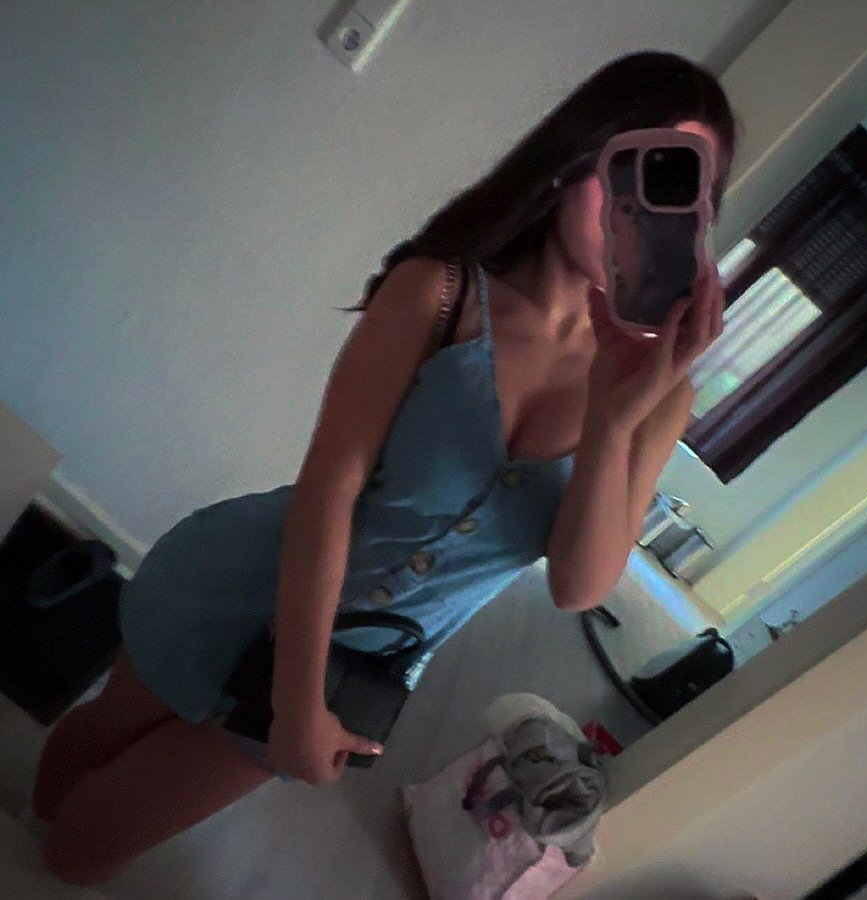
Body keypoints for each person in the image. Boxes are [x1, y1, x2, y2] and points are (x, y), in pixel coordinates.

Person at [31, 49, 734, 886]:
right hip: (240, 585)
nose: (638, 213)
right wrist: (293, 703)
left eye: (678, 188)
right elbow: (328, 491)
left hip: (352, 671)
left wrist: (614, 418)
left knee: (82, 856)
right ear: (571, 160)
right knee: (99, 740)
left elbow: (578, 587)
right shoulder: (440, 292)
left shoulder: (657, 395)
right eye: (630, 171)